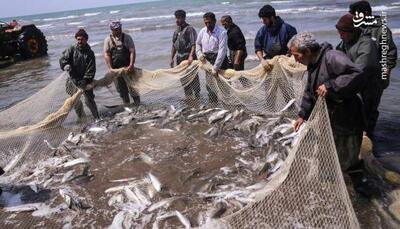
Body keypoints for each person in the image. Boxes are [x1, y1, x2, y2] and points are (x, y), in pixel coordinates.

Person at [291, 32, 365, 171]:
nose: (296, 60)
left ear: (307, 51)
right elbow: (309, 91)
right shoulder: (312, 64)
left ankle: (354, 181)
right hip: (332, 116)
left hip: (347, 116)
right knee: (330, 155)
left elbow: (357, 74)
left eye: (296, 56)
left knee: (347, 159)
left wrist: (331, 85)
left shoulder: (332, 57)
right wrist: (302, 115)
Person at [335, 14, 381, 139]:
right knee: (355, 116)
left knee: (367, 116)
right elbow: (336, 55)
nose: (340, 36)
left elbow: (360, 68)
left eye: (343, 33)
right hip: (355, 85)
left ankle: (369, 146)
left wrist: (338, 81)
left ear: (353, 31)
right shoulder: (346, 41)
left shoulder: (367, 44)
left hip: (369, 86)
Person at [349, 0, 397, 89]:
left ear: (366, 13)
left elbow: (390, 51)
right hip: (358, 73)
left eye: (355, 14)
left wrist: (387, 71)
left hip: (375, 76)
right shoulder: (355, 27)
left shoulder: (381, 30)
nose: (353, 17)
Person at [59, 29, 100, 120]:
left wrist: (85, 80)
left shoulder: (90, 53)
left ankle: (97, 117)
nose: (79, 41)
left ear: (86, 40)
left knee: (89, 100)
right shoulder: (71, 49)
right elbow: (63, 59)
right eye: (78, 39)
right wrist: (65, 65)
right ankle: (82, 118)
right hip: (72, 80)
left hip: (85, 81)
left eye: (81, 39)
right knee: (75, 101)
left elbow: (91, 68)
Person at [104, 21, 140, 105]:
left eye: (119, 29)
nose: (118, 31)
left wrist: (131, 64)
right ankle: (127, 106)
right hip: (116, 71)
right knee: (122, 91)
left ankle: (138, 105)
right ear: (111, 30)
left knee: (134, 89)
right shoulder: (108, 40)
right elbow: (107, 54)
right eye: (116, 29)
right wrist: (110, 68)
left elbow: (132, 51)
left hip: (128, 68)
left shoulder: (127, 37)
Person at [196, 12, 230, 102]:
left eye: (209, 22)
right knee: (210, 85)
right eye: (206, 22)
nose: (208, 25)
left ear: (215, 21)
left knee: (224, 84)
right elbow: (197, 43)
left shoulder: (222, 32)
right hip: (207, 60)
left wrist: (216, 67)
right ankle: (213, 104)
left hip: (220, 60)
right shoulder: (202, 31)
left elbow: (222, 51)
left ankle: (228, 105)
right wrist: (199, 54)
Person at [170, 9, 201, 98]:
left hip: (189, 56)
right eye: (176, 18)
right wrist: (171, 58)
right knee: (183, 77)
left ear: (184, 18)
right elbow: (174, 45)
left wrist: (191, 56)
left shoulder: (190, 29)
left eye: (179, 18)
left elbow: (194, 44)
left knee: (193, 77)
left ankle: (197, 96)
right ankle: (188, 96)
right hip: (179, 57)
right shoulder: (176, 30)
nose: (177, 20)